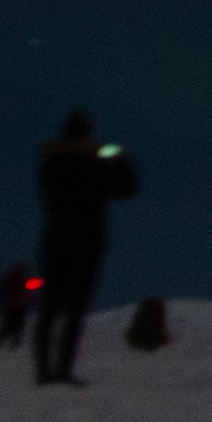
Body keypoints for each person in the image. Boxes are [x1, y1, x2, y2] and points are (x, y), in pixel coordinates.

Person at [32, 110, 138, 386]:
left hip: (56, 243)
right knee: (74, 312)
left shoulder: (51, 165)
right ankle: (63, 370)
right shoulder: (93, 166)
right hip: (87, 246)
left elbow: (48, 195)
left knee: (50, 309)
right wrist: (119, 160)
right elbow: (127, 189)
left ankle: (44, 372)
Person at [0, 261, 34, 350]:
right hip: (13, 306)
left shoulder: (20, 278)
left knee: (15, 326)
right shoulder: (15, 278)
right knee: (11, 326)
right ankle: (3, 343)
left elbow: (28, 292)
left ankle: (10, 344)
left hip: (17, 306)